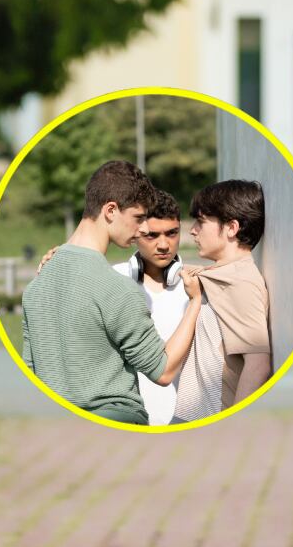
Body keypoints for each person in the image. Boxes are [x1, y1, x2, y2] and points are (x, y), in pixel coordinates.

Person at [22, 161, 202, 426]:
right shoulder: (116, 287)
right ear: (110, 210)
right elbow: (163, 371)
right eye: (138, 218)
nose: (142, 229)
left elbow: (30, 371)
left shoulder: (36, 287)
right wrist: (196, 301)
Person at [172, 179, 272, 421]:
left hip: (207, 419)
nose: (193, 230)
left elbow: (258, 364)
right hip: (189, 416)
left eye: (202, 222)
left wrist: (231, 426)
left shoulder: (240, 283)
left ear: (231, 228)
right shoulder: (220, 276)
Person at [110, 188, 188, 426]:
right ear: (135, 234)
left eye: (172, 233)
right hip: (130, 419)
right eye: (152, 236)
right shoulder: (114, 279)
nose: (164, 245)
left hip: (186, 419)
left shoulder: (197, 286)